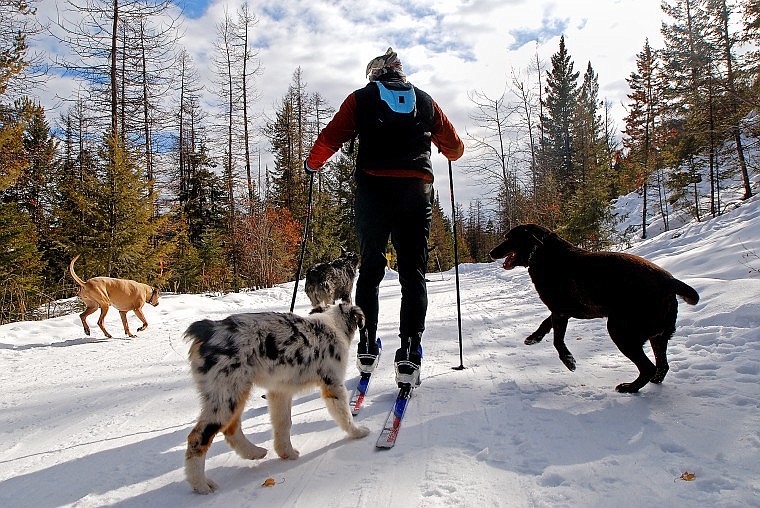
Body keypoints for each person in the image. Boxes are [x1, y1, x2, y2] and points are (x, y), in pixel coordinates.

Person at [305, 47, 464, 387]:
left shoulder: (360, 99)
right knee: (412, 271)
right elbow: (455, 148)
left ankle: (366, 345)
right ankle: (409, 352)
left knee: (372, 268)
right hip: (415, 193)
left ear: (376, 74)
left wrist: (313, 164)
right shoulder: (425, 101)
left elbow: (331, 138)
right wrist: (442, 148)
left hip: (373, 191)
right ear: (399, 72)